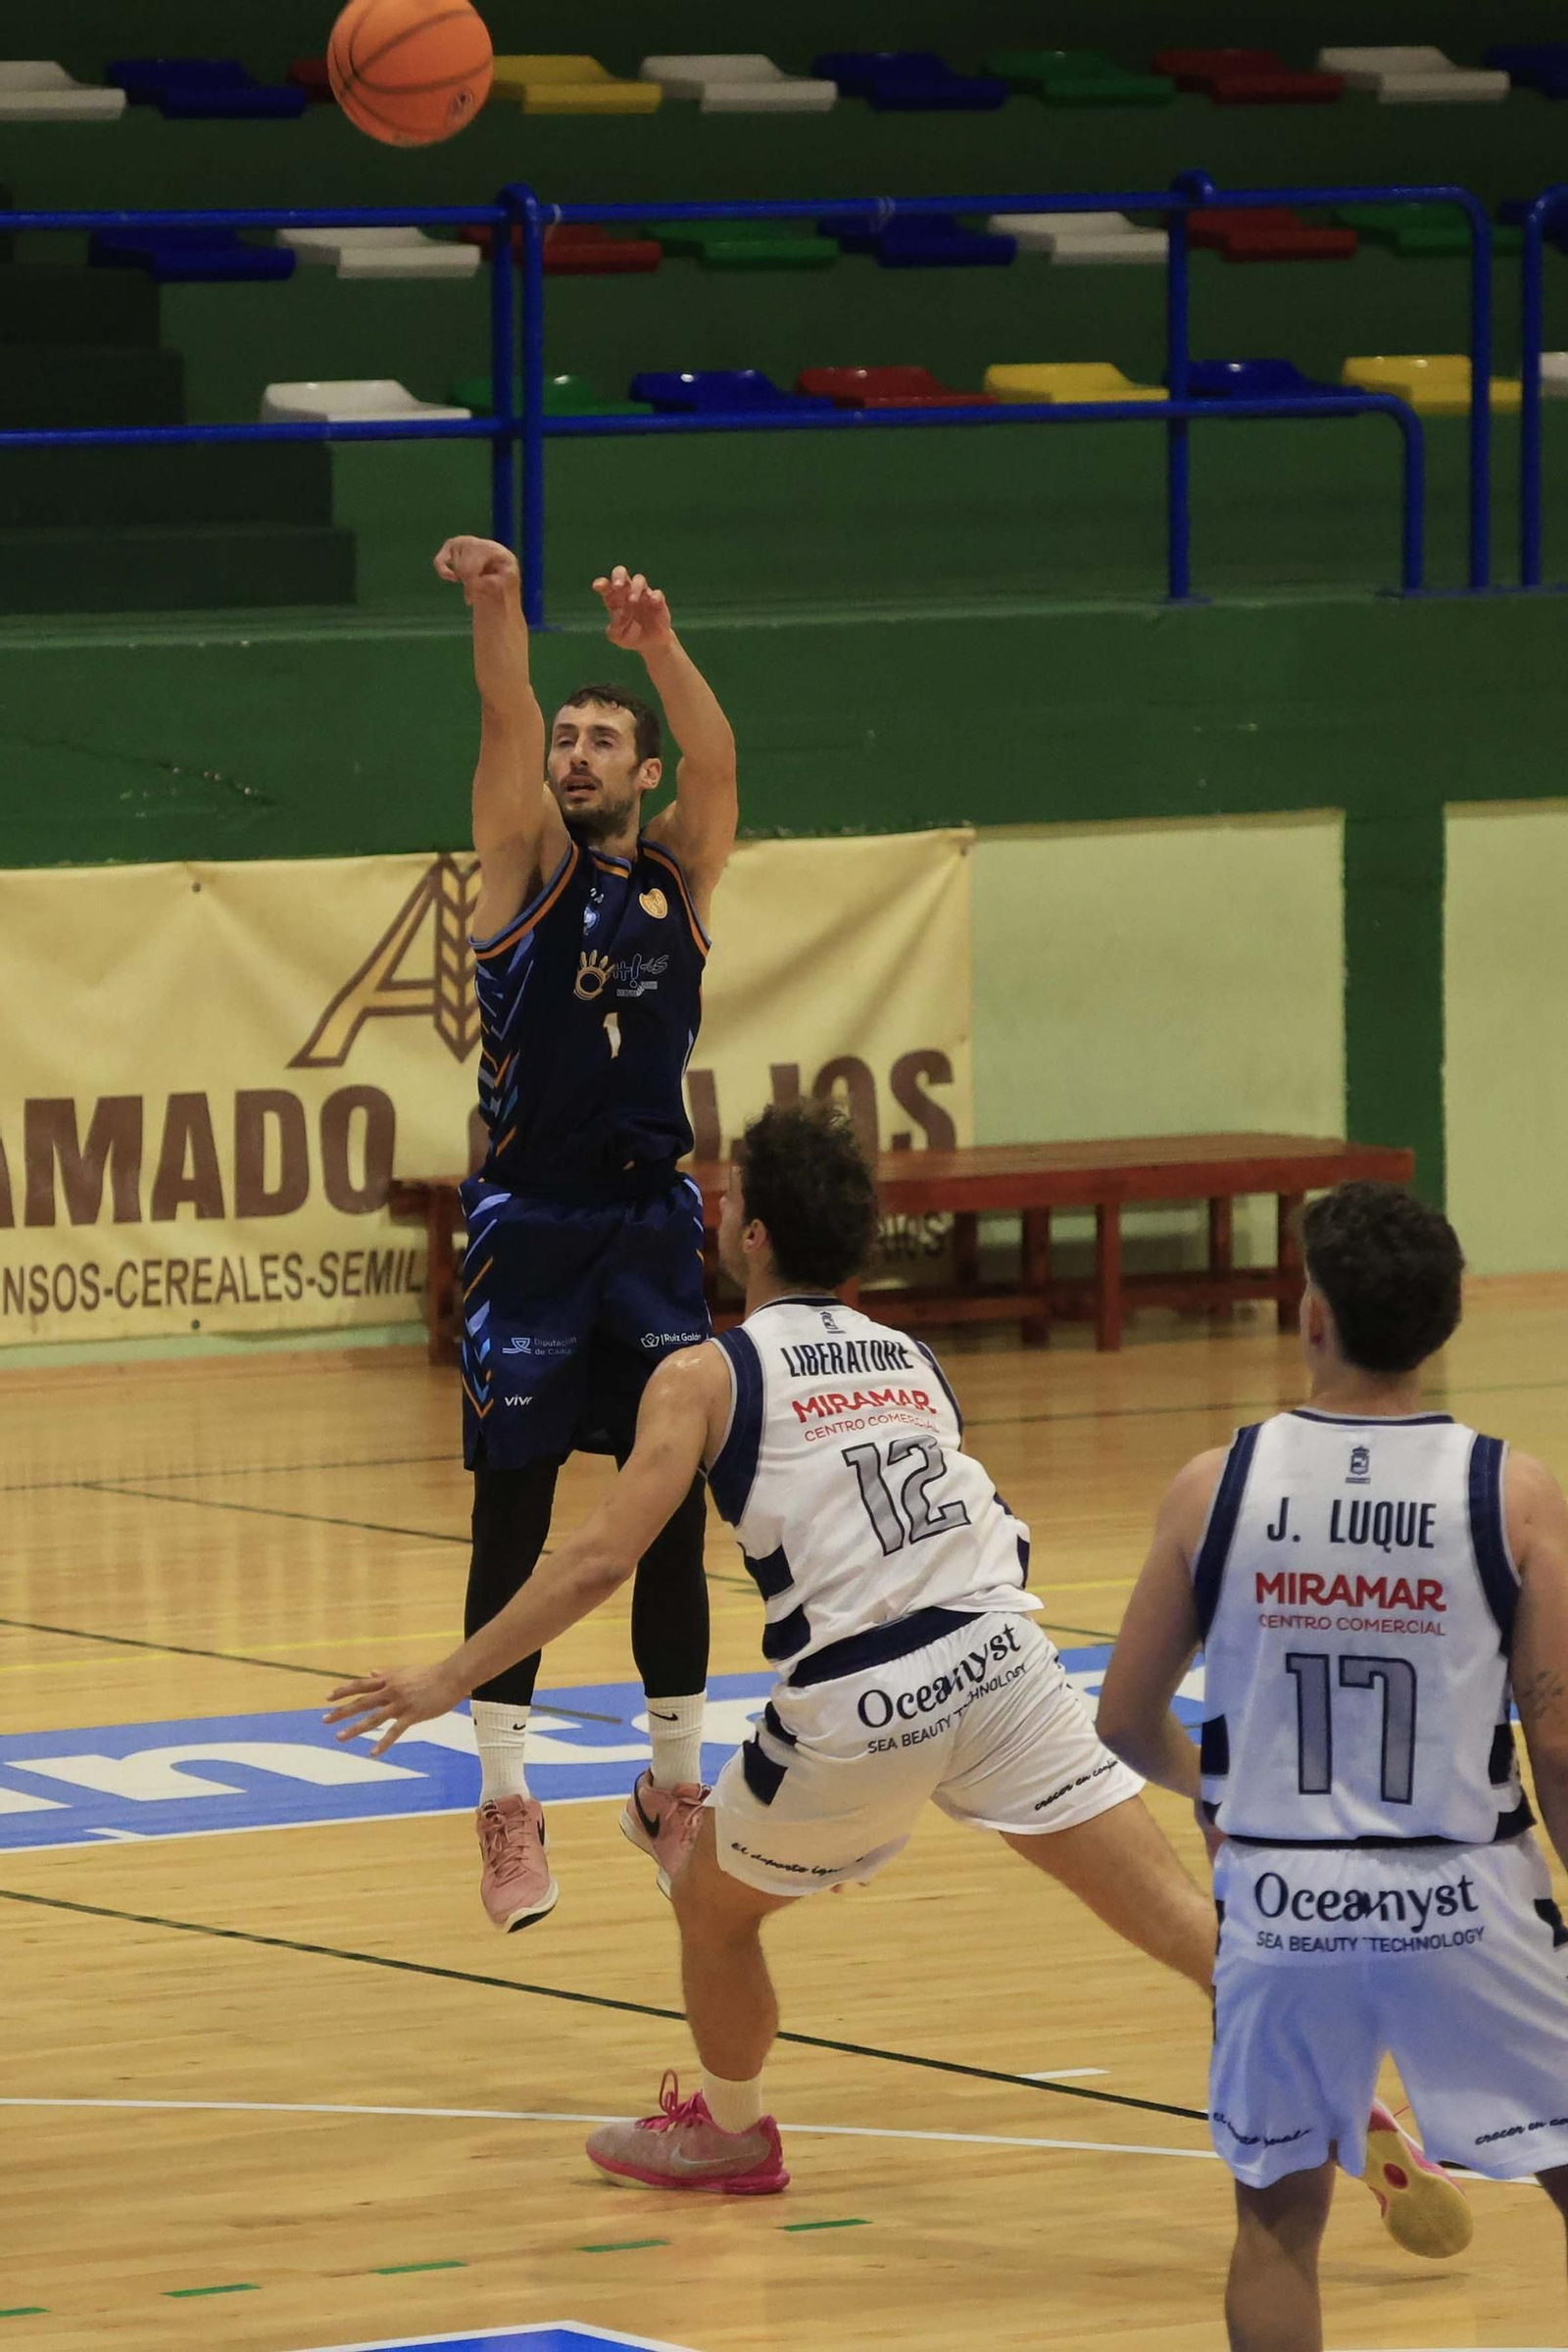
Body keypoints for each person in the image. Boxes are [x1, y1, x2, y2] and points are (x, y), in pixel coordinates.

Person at [330, 1100, 1227, 2187]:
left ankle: (731, 2132)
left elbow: (598, 1561)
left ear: (752, 1236)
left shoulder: (704, 1374)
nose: (718, 1203)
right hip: (1007, 1663)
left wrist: (445, 1678)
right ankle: (1322, 2080)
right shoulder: (913, 1357)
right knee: (1182, 1919)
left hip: (864, 1705)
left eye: (734, 1194)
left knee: (711, 1906)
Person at [1097, 1180, 1568, 2351]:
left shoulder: (1216, 1487)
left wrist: (1221, 1789)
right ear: (1444, 1322)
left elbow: (1120, 1720)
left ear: (1312, 1316)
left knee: (1275, 2231)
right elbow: (1555, 1738)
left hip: (1283, 1901)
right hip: (1465, 1894)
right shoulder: (1510, 1493)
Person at [437, 536, 738, 1934]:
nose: (574, 750)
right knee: (517, 1512)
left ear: (642, 770)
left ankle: (672, 1788)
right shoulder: (522, 868)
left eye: (603, 737)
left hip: (651, 1227)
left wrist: (657, 646)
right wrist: (501, 611)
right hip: (533, 1222)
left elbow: (722, 758)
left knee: (665, 1510)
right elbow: (504, 719)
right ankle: (506, 1804)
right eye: (568, 734)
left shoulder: (680, 878)